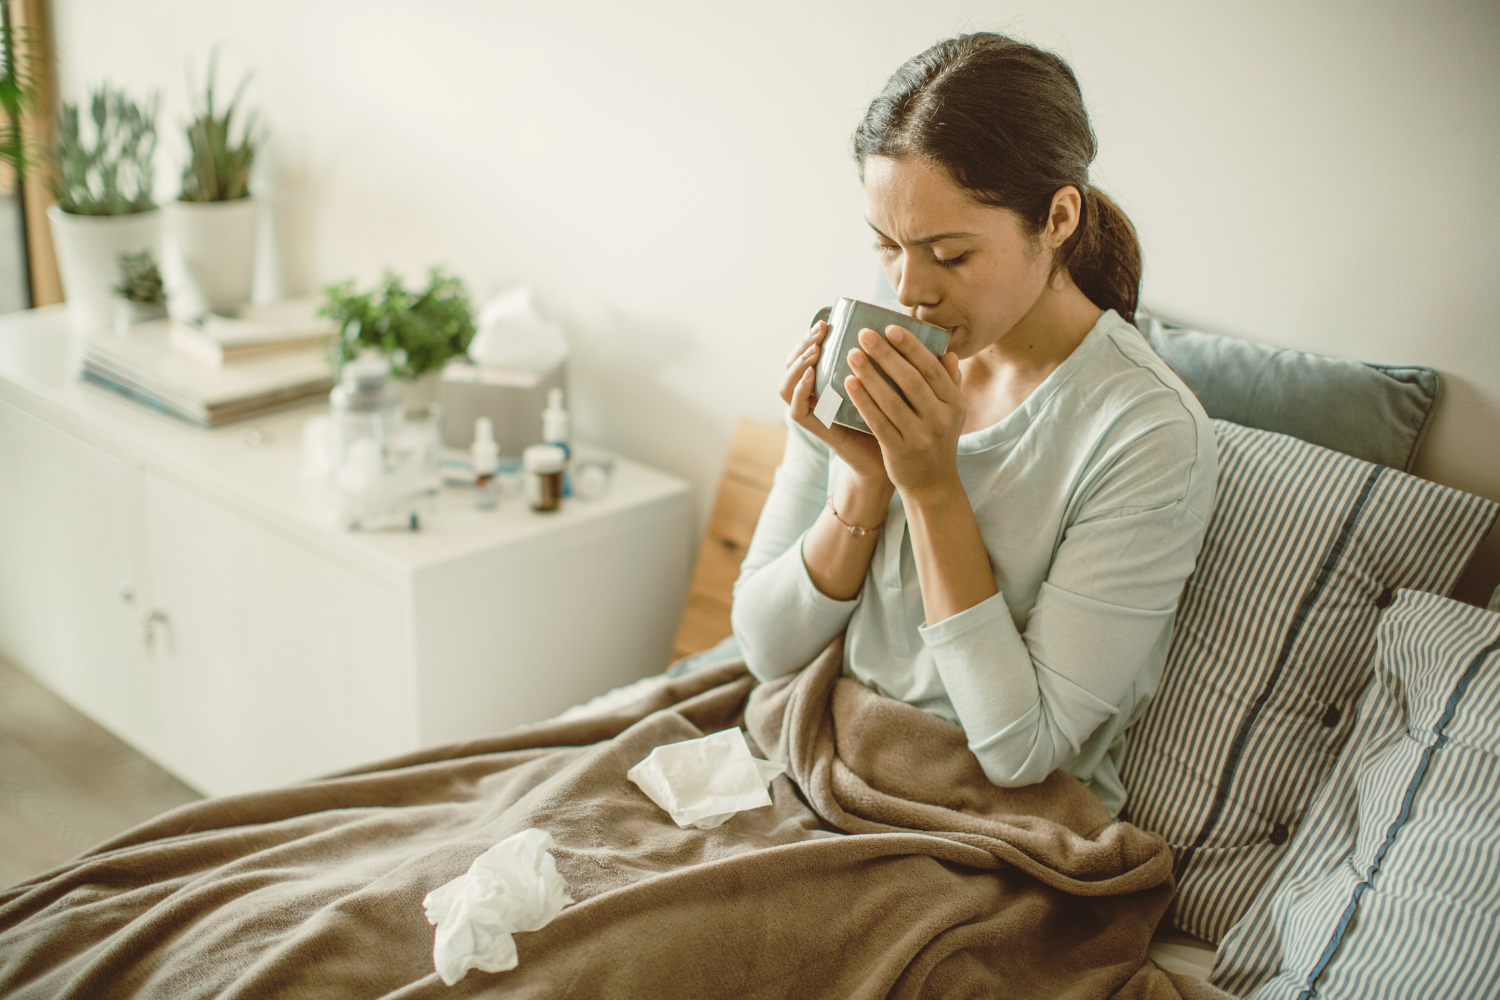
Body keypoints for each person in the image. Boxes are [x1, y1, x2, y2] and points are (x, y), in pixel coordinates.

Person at [730, 33, 1217, 817]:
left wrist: (929, 490)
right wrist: (860, 484)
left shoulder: (1145, 435)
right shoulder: (873, 348)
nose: (909, 289)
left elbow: (1019, 747)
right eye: (886, 245)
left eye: (949, 255)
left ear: (1058, 216)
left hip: (976, 823)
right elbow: (764, 648)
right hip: (815, 750)